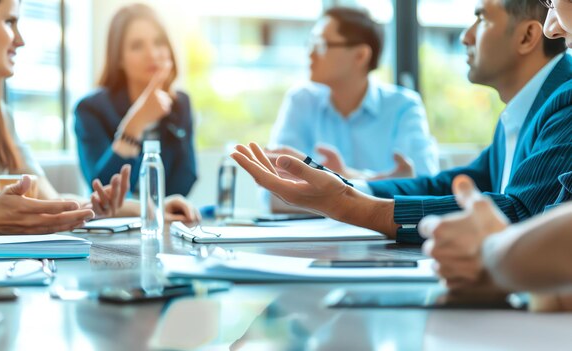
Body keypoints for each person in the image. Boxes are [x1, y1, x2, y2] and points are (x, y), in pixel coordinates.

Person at [231, 0, 572, 245]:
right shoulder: (523, 108)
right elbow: (456, 185)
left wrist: (348, 204)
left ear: (528, 37)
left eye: (481, 19)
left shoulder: (565, 99)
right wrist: (346, 187)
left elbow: (521, 213)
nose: (465, 36)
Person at [0, 0, 200, 234]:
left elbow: (50, 200)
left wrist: (150, 207)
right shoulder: (91, 108)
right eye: (9, 22)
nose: (21, 40)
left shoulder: (1, 118)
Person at [418, 0, 572, 312]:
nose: (552, 28)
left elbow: (527, 216)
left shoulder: (563, 100)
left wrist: (498, 258)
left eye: (556, 3)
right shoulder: (512, 117)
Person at [268, 7, 438, 181]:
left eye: (321, 45)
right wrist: (365, 181)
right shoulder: (301, 101)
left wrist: (345, 179)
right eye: (310, 43)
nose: (310, 53)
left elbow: (422, 187)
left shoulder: (404, 107)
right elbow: (272, 187)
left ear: (360, 55)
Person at [75, 3, 197, 198]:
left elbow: (185, 179)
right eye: (137, 46)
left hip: (164, 221)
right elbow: (104, 191)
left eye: (159, 42)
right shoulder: (90, 109)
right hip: (112, 226)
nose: (152, 54)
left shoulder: (180, 104)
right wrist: (135, 124)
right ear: (119, 58)